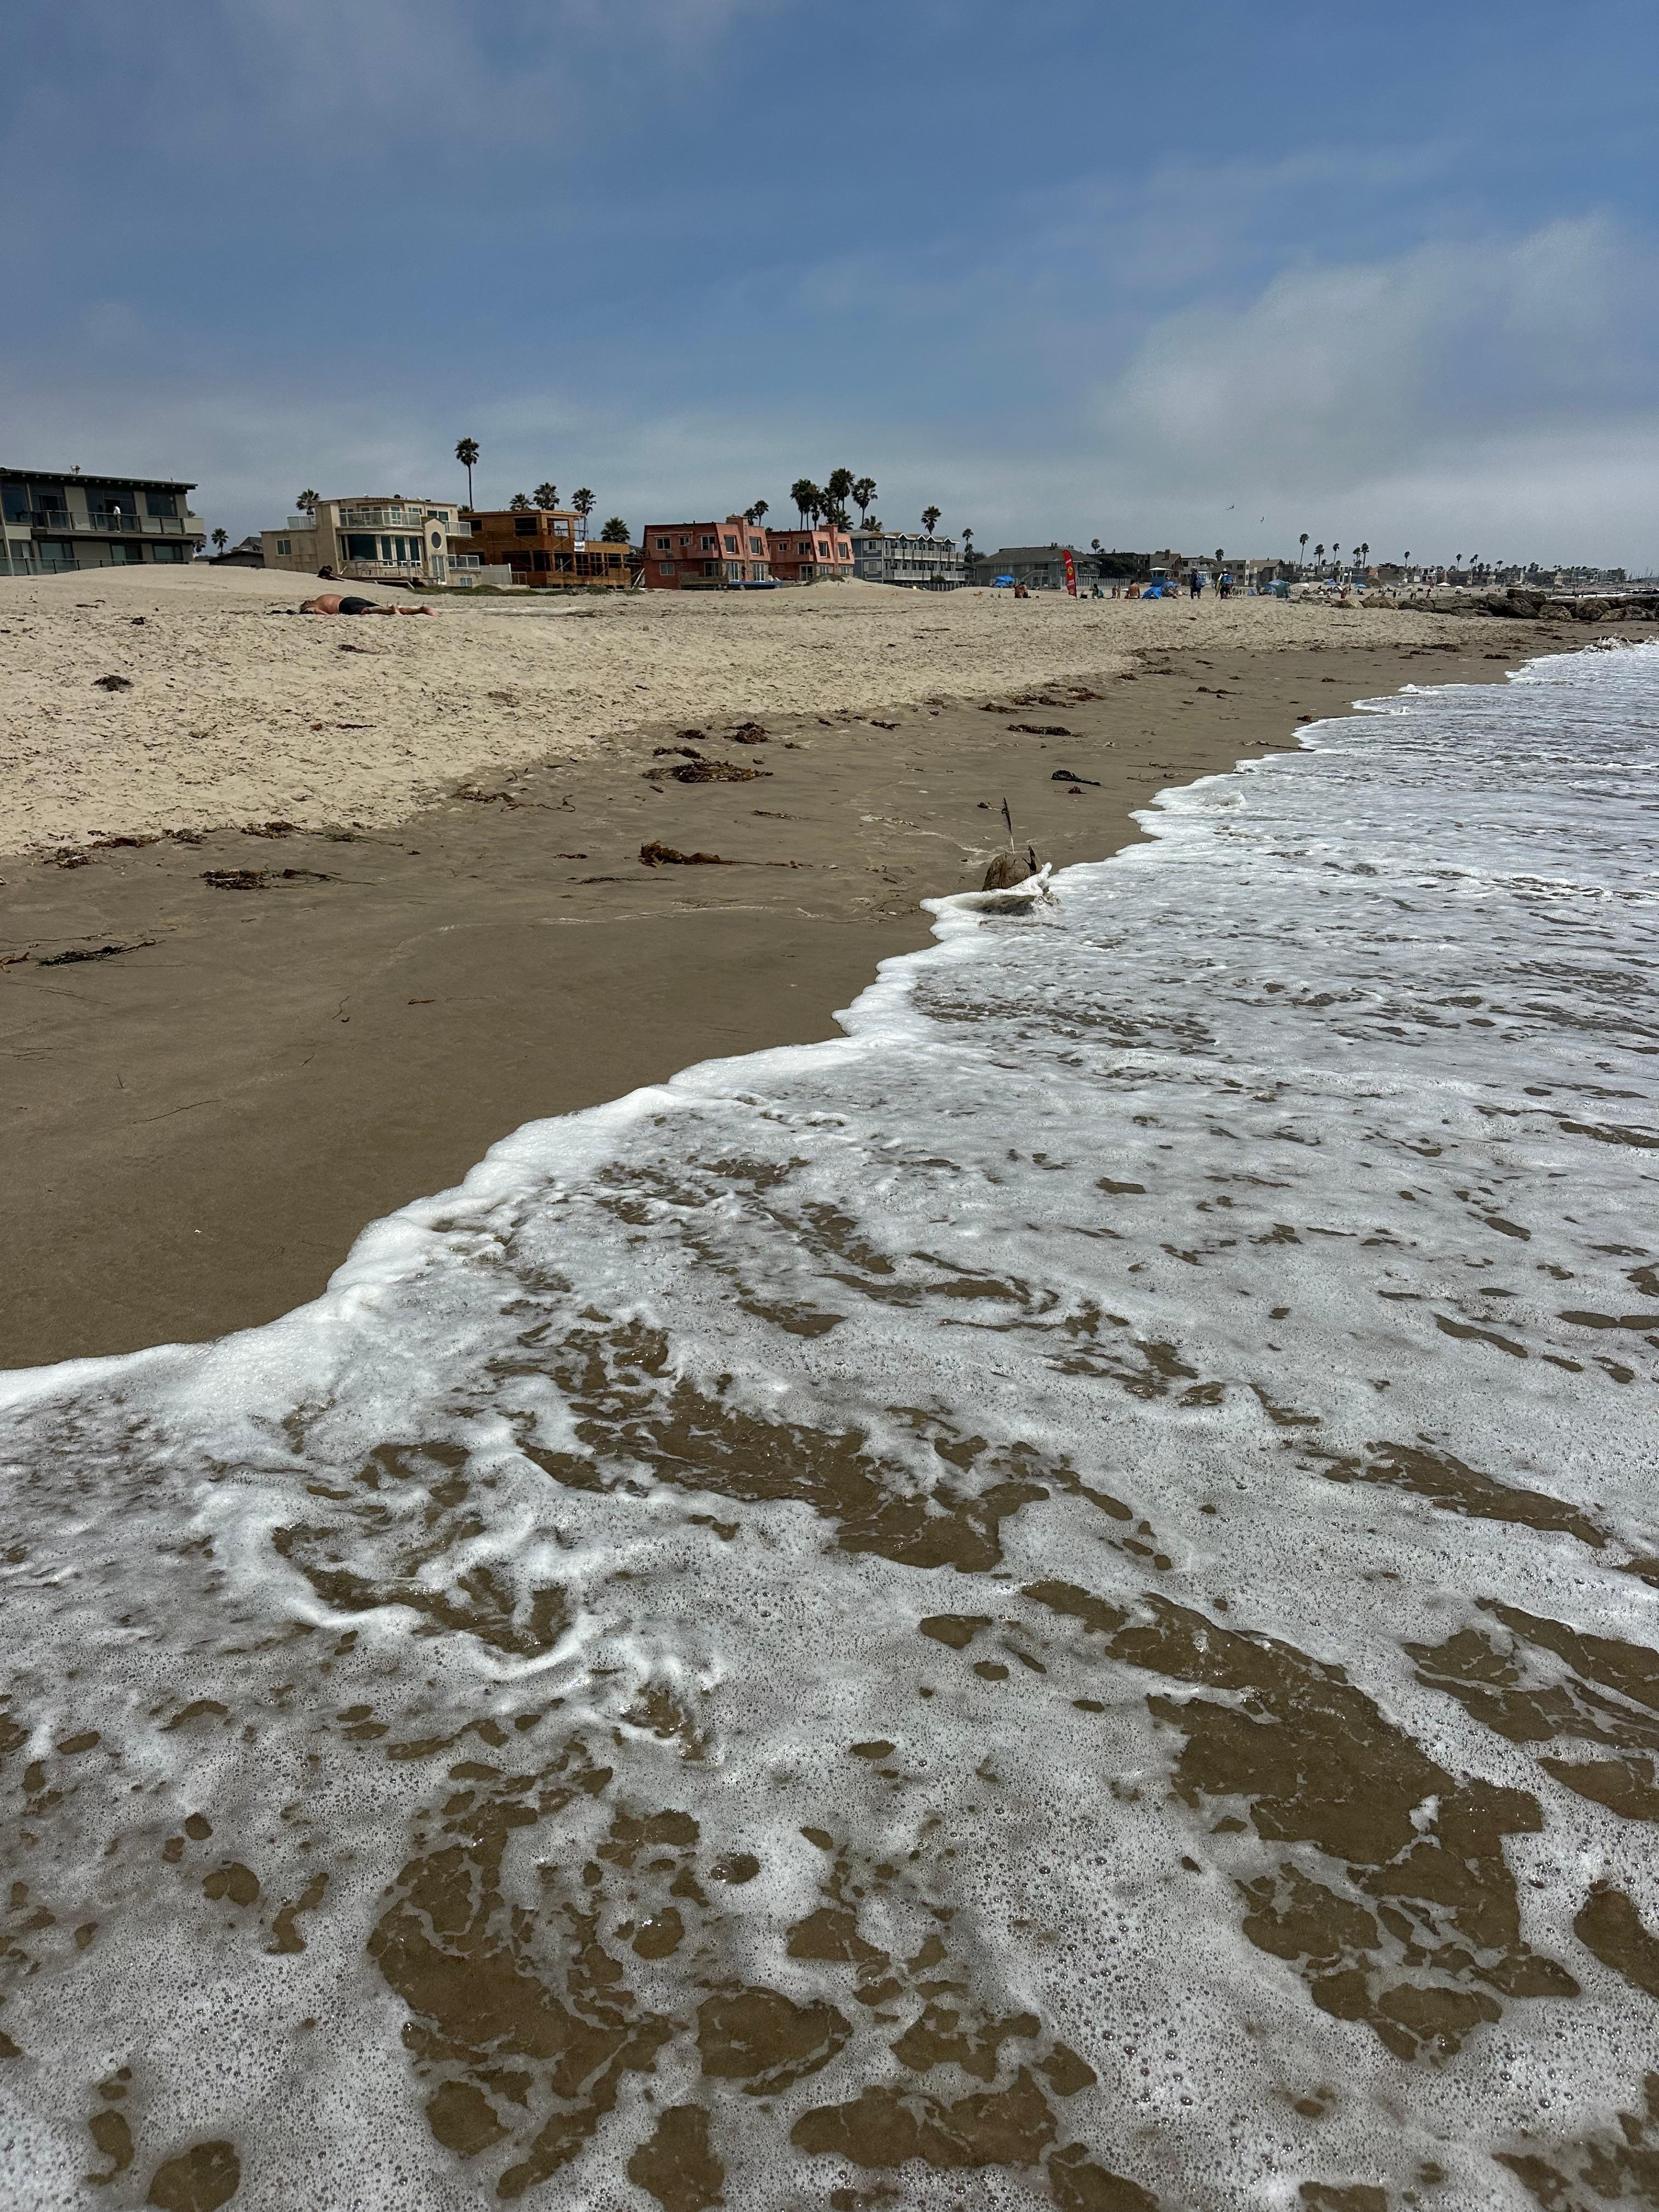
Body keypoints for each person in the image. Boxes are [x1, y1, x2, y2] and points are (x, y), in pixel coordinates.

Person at [299, 593, 437, 616]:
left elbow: (316, 611)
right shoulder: (323, 597)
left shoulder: (314, 606)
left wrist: (327, 616)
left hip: (343, 606)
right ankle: (421, 610)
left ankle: (392, 610)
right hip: (351, 598)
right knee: (384, 609)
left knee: (367, 611)